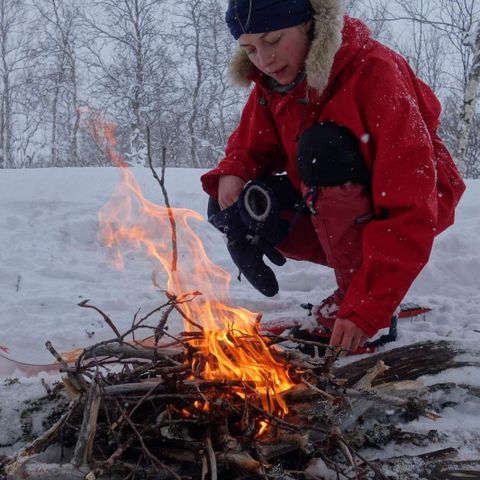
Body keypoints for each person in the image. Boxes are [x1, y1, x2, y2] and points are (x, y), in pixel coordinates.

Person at [201, 0, 466, 352]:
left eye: (274, 39)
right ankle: (355, 290)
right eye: (249, 49)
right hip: (328, 205)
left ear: (310, 24)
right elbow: (251, 145)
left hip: (414, 201)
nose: (264, 60)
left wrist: (368, 308)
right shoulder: (275, 81)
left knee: (322, 149)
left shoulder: (374, 72)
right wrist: (232, 176)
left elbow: (411, 202)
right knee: (237, 196)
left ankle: (360, 301)